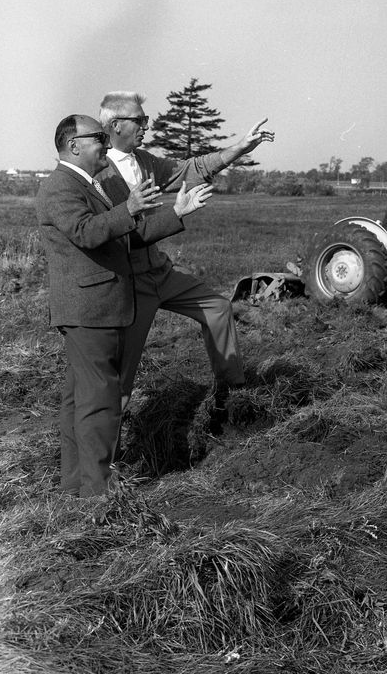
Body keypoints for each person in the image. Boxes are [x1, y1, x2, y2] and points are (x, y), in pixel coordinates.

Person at [37, 114, 212, 497]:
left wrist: (176, 213)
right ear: (74, 146)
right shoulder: (60, 187)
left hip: (99, 308)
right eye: (98, 137)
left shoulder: (92, 183)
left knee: (79, 400)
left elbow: (128, 236)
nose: (105, 142)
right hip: (89, 312)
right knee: (100, 402)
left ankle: (75, 487)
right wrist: (129, 207)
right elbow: (87, 233)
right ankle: (97, 497)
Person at [96, 91, 275, 418]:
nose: (145, 126)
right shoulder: (98, 173)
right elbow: (110, 234)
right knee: (122, 373)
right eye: (139, 120)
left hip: (160, 271)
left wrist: (238, 148)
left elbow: (191, 168)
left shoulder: (145, 161)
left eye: (145, 119)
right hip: (129, 284)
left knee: (218, 308)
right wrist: (174, 213)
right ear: (114, 125)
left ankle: (231, 395)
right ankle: (107, 455)